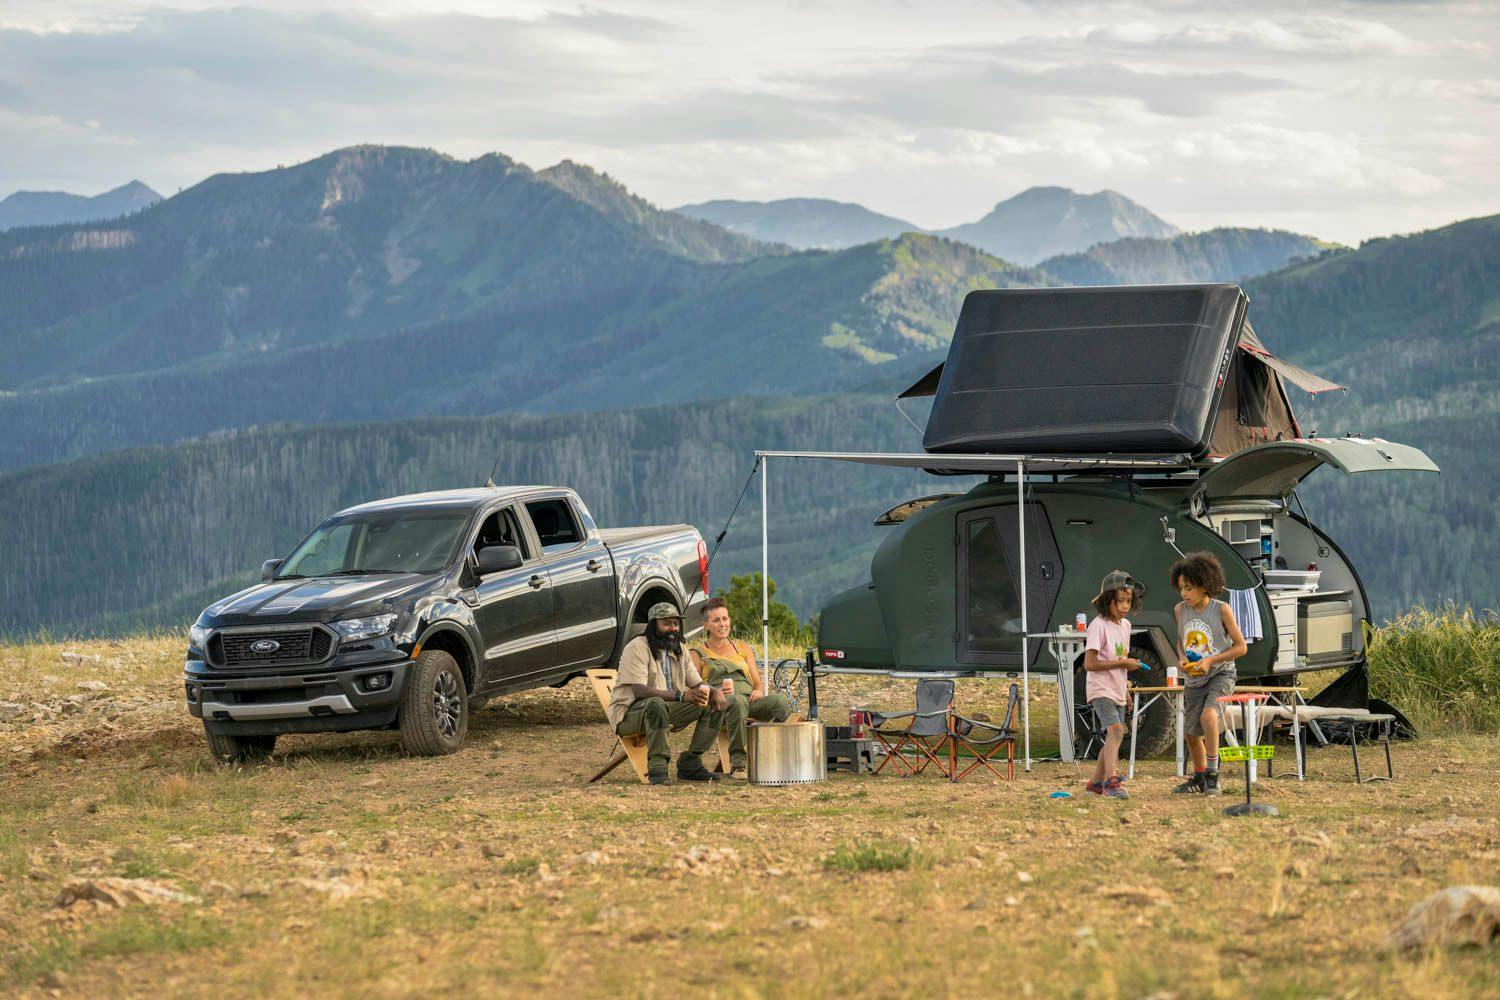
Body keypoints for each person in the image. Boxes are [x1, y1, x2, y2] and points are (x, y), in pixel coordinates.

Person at [606, 602, 742, 785]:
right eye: (667, 623)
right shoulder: (637, 647)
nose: (673, 628)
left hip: (666, 707)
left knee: (713, 703)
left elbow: (696, 683)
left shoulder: (680, 649)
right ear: (654, 625)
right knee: (655, 703)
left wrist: (715, 691)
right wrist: (681, 696)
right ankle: (657, 768)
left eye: (676, 624)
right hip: (629, 714)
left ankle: (690, 763)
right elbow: (639, 691)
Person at [1170, 553, 1249, 797]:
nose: (1184, 593)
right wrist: (1182, 659)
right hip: (1194, 678)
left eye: (1189, 588)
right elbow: (1181, 641)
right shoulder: (1180, 610)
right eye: (1181, 588)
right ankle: (1199, 777)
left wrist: (1210, 661)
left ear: (1205, 586)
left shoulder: (1221, 609)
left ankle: (1214, 776)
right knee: (1191, 735)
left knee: (1209, 717)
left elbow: (1240, 647)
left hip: (1221, 673)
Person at [690, 597, 793, 777]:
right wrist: (716, 692)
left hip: (748, 700)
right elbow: (696, 686)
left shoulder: (742, 647)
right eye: (716, 620)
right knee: (736, 702)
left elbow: (757, 681)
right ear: (705, 625)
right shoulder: (698, 653)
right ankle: (738, 764)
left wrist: (758, 691)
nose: (722, 624)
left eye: (725, 619)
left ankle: (772, 754)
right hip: (718, 706)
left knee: (781, 702)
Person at [1083, 570, 1148, 798]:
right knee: (1117, 732)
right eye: (1119, 601)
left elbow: (1121, 662)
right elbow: (1089, 663)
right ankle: (1112, 783)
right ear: (1106, 600)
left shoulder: (1126, 626)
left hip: (1118, 689)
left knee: (1113, 737)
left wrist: (1126, 688)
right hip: (1101, 689)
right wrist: (1125, 663)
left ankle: (1095, 784)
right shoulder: (1097, 625)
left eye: (1128, 601)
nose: (1124, 606)